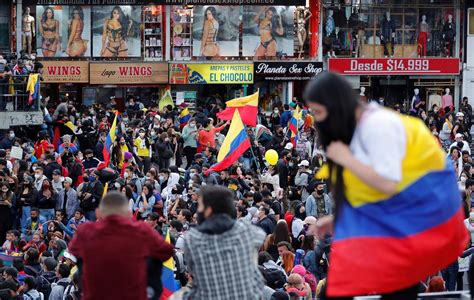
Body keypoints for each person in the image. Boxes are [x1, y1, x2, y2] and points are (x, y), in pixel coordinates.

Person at [303, 72, 467, 298]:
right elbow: (372, 191)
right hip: (400, 228)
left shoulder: (377, 125)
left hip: (413, 223)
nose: (317, 121)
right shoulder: (361, 130)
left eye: (319, 112)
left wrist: (346, 159)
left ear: (335, 105)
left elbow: (389, 184)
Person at [68, 192, 174, 300]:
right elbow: (166, 251)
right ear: (129, 214)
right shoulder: (142, 231)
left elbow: (74, 250)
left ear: (98, 213)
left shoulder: (86, 231)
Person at [180, 185, 266, 299]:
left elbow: (193, 271)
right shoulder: (245, 230)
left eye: (200, 206)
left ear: (208, 210)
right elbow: (260, 235)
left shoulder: (193, 238)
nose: (198, 210)